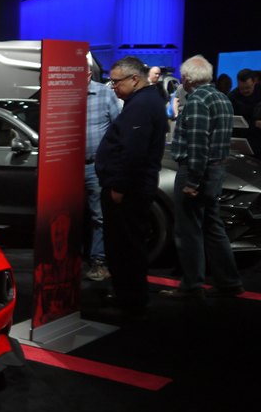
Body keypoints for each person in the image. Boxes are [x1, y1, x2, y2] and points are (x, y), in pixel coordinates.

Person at [88, 57, 168, 323]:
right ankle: (127, 295)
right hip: (131, 187)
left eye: (116, 82)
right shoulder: (146, 101)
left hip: (128, 191)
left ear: (134, 79)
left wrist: (118, 186)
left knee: (125, 247)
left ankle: (130, 302)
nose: (112, 87)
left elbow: (133, 152)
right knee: (126, 246)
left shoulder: (142, 106)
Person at [159, 55, 242, 301]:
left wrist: (193, 182)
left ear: (186, 79)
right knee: (213, 227)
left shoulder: (197, 100)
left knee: (189, 230)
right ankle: (230, 282)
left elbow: (197, 144)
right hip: (216, 170)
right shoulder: (223, 98)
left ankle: (192, 285)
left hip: (196, 172)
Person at [84, 56, 122, 282]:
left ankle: (99, 261)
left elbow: (119, 128)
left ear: (88, 75)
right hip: (64, 168)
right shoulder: (63, 94)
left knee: (99, 216)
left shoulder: (105, 94)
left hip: (94, 167)